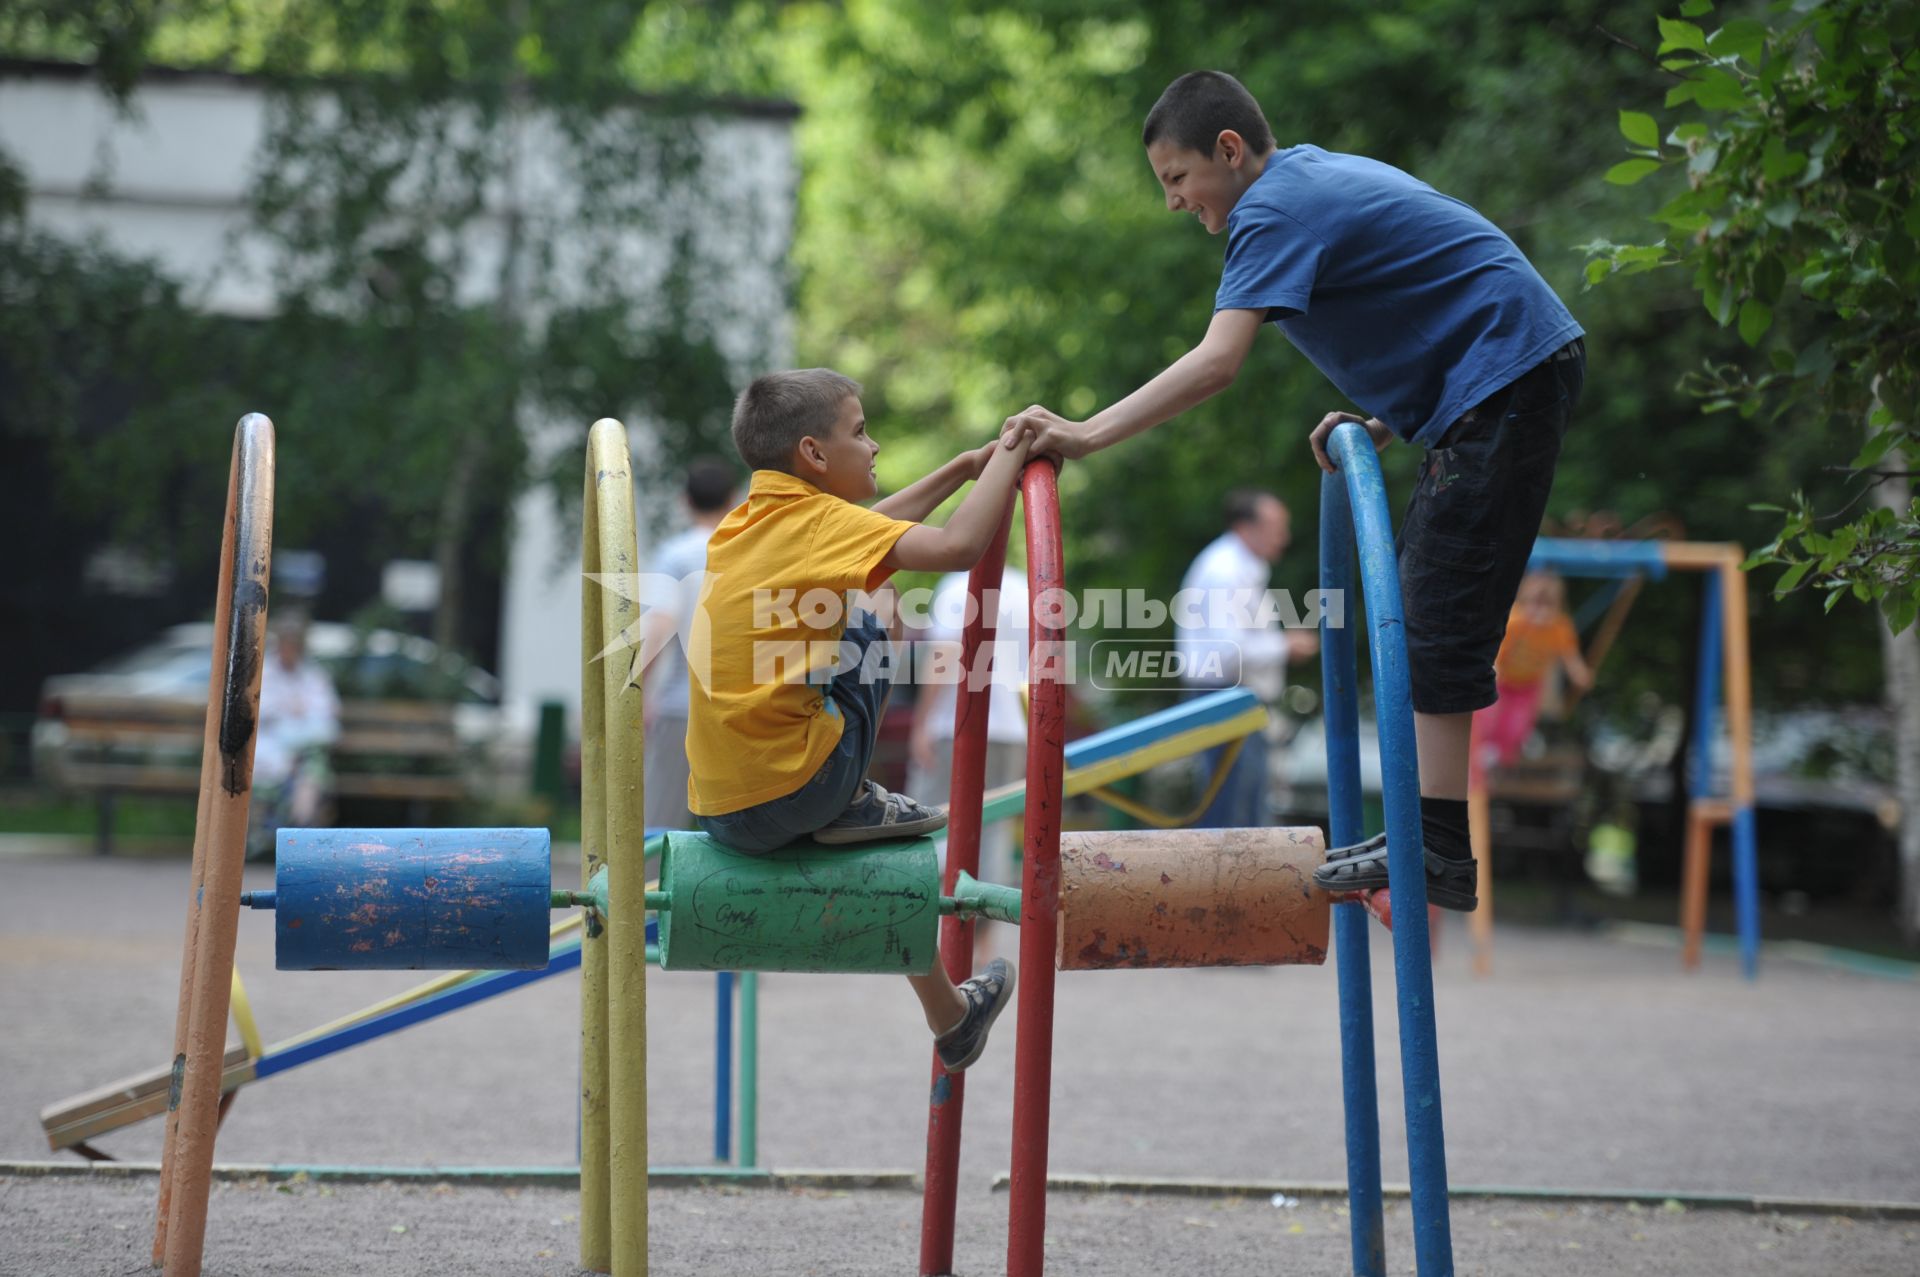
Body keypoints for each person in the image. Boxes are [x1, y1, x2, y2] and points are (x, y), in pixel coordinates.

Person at [1003, 71, 1586, 913]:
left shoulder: (1271, 208)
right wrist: (1386, 416)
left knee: (1436, 615)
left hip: (1509, 377)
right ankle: (1430, 833)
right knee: (1420, 607)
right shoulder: (1307, 179)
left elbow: (1217, 363)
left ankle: (1439, 846)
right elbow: (1422, 283)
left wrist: (1085, 433)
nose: (1173, 202)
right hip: (1497, 374)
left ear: (1230, 151)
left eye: (1177, 179)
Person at [684, 367, 1035, 1072]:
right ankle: (850, 792)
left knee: (876, 859)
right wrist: (1009, 458)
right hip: (801, 787)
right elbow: (958, 548)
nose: (872, 445)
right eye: (860, 430)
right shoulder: (814, 523)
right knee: (872, 615)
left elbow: (870, 532)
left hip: (721, 809)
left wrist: (961, 469)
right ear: (814, 454)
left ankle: (951, 1015)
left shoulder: (747, 523)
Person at [1174, 489, 1318, 827]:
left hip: (1230, 697)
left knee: (1240, 812)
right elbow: (1228, 649)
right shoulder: (1226, 572)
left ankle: (1226, 880)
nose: (1284, 538)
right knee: (1233, 818)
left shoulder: (1234, 567)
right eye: (1276, 527)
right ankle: (1220, 881)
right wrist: (1286, 645)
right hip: (1225, 698)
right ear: (1245, 528)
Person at [907, 563, 1029, 886]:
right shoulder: (1026, 590)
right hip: (1013, 730)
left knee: (930, 823)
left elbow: (944, 657)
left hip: (956, 727)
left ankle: (930, 920)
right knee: (994, 830)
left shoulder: (958, 588)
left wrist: (922, 724)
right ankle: (985, 932)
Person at [639, 456, 738, 831]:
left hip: (684, 705)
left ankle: (644, 891)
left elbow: (660, 627)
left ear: (685, 500)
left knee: (660, 824)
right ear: (732, 499)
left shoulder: (676, 555)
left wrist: (640, 694)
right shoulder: (744, 550)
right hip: (740, 708)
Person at [1470, 570, 1593, 788]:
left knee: (1517, 729)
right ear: (1524, 602)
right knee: (1488, 719)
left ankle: (1497, 760)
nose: (1541, 611)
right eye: (1536, 604)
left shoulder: (1559, 627)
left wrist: (1579, 673)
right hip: (1504, 683)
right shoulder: (1515, 621)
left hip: (1528, 687)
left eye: (1548, 605)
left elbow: (1570, 656)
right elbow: (1497, 652)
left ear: (1558, 606)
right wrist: (1494, 672)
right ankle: (1482, 753)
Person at [248, 615, 340, 859]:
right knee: (263, 775)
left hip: (307, 749)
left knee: (309, 777)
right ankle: (266, 839)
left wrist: (294, 713)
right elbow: (259, 712)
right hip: (269, 749)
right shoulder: (263, 674)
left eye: (293, 644)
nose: (289, 649)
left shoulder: (314, 676)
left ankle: (298, 840)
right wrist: (292, 710)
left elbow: (326, 717)